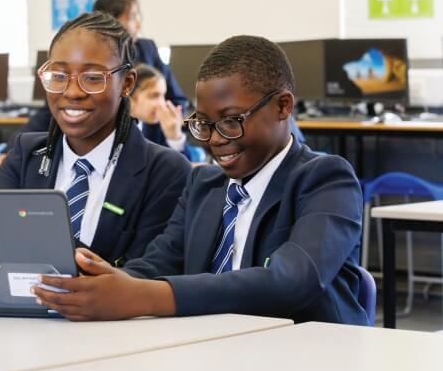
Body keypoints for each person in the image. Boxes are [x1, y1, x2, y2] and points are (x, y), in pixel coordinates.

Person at [31, 35, 368, 325]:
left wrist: (147, 297)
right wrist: (110, 281)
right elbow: (158, 263)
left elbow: (290, 282)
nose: (216, 139)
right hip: (211, 349)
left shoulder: (326, 180)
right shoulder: (203, 186)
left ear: (283, 107)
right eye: (203, 124)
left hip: (306, 355)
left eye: (231, 121)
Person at [0, 11, 191, 266]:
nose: (73, 92)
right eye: (59, 76)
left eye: (93, 78)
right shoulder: (26, 155)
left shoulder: (166, 171)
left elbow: (148, 273)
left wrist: (40, 245)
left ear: (127, 83)